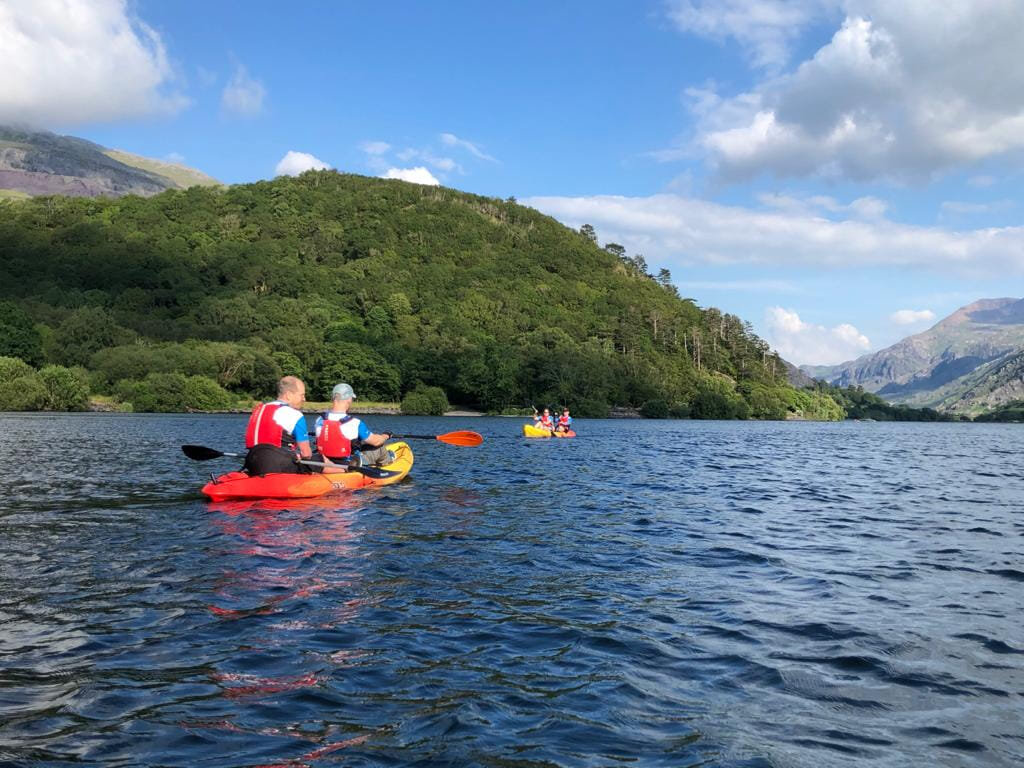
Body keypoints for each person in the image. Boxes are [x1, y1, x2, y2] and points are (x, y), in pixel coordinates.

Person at [242, 375, 342, 475]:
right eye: (301, 395)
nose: (304, 399)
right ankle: (344, 472)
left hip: (252, 462)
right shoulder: (295, 414)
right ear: (289, 395)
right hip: (278, 466)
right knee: (319, 458)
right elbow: (306, 453)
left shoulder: (259, 410)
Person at [315, 382, 396, 467]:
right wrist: (386, 436)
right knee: (380, 447)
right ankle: (388, 462)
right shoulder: (355, 423)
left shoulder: (319, 420)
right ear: (348, 400)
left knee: (362, 444)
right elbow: (376, 441)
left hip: (325, 460)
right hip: (350, 463)